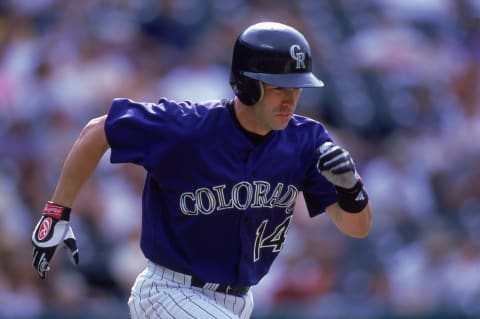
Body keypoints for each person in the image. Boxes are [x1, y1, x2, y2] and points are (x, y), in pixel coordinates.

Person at [31, 21, 372, 319]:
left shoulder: (306, 139)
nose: (291, 99)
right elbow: (97, 131)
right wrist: (56, 212)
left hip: (239, 300)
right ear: (246, 84)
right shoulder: (187, 127)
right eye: (278, 87)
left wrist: (350, 188)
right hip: (169, 294)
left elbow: (356, 227)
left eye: (297, 88)